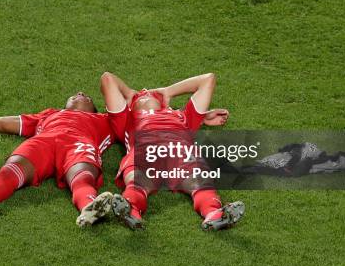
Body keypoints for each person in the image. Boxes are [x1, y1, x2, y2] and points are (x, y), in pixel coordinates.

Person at [0, 92, 115, 227]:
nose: (80, 94)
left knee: (82, 177)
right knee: (10, 172)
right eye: (75, 94)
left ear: (93, 109)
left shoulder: (106, 121)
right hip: (43, 142)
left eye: (87, 97)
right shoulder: (48, 115)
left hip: (79, 143)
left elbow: (139, 118)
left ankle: (89, 209)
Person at [100, 72, 245, 231]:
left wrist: (168, 91)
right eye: (141, 95)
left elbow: (208, 80)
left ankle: (213, 214)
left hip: (180, 151)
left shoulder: (183, 116)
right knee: (137, 181)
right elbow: (107, 79)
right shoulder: (125, 119)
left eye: (150, 93)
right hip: (146, 150)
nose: (145, 92)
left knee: (200, 181)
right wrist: (128, 94)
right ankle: (131, 210)